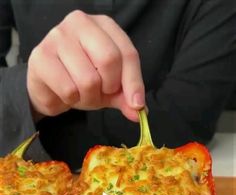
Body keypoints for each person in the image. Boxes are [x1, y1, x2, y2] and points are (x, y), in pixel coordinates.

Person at [0, 0, 235, 171]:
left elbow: (184, 119)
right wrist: (30, 94)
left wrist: (32, 118)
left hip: (173, 181)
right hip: (27, 186)